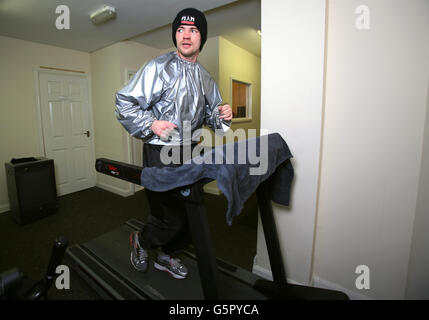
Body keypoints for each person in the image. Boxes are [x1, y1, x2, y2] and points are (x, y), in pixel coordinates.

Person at [115, 8, 232, 279]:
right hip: (161, 150)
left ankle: (166, 256)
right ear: (175, 35)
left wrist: (223, 114)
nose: (186, 35)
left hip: (191, 150)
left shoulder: (206, 78)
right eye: (181, 30)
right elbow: (124, 103)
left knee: (192, 214)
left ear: (202, 37)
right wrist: (151, 124)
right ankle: (141, 241)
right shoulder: (157, 67)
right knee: (169, 217)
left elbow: (212, 118)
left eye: (193, 30)